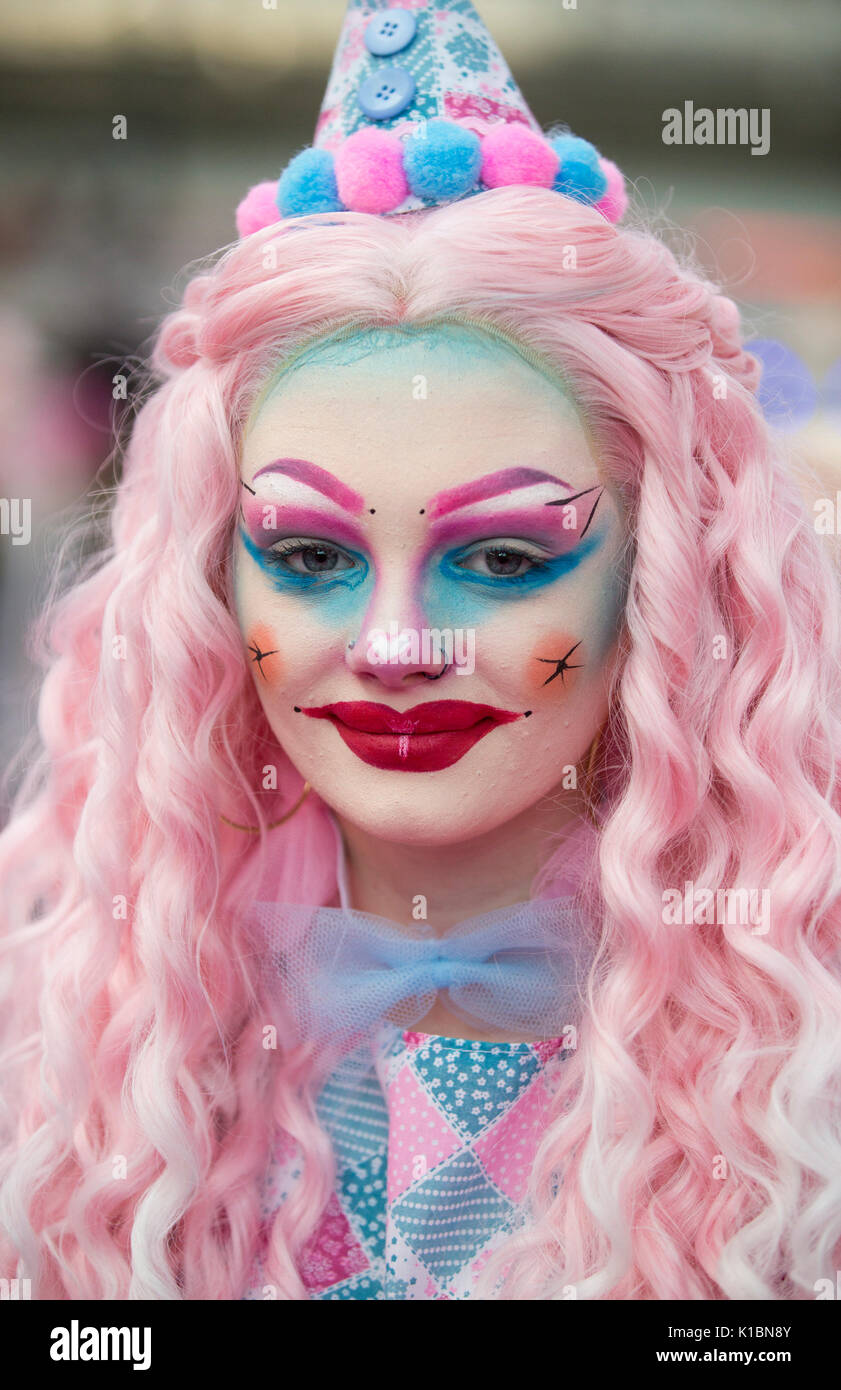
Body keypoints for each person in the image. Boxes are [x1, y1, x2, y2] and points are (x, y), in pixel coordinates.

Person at [1, 0, 840, 1301]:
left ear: (663, 584)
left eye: (504, 559)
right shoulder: (76, 1049)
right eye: (313, 557)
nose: (394, 644)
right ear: (215, 584)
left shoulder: (804, 1076)